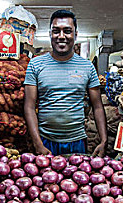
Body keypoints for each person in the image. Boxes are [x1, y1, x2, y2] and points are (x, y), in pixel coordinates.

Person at [24, 10, 107, 156]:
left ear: (76, 34)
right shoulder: (35, 65)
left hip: (77, 141)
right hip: (46, 141)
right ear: (50, 33)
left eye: (67, 31)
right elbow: (29, 107)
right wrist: (37, 144)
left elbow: (98, 106)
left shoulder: (87, 67)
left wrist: (103, 140)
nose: (61, 36)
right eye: (56, 31)